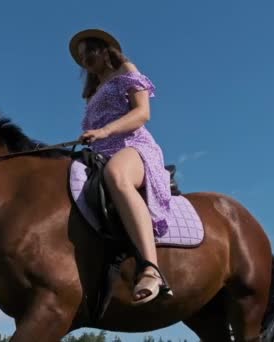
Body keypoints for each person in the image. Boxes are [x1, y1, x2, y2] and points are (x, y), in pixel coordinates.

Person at [69, 28, 173, 305]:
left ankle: (151, 269)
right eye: (81, 57)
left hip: (132, 146)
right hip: (99, 152)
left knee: (117, 175)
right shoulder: (92, 93)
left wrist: (105, 131)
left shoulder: (126, 71)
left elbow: (142, 114)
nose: (85, 60)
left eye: (89, 51)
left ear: (105, 50)